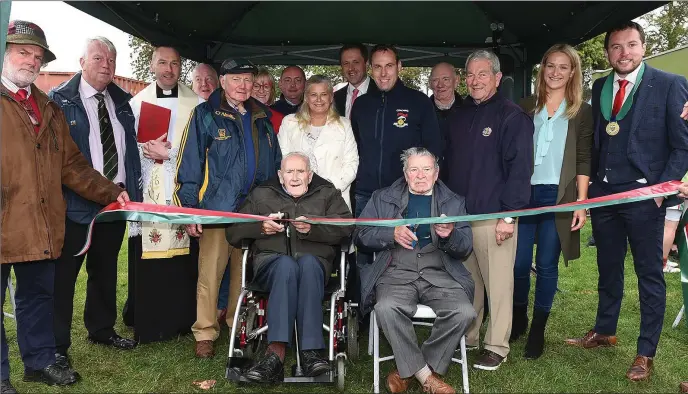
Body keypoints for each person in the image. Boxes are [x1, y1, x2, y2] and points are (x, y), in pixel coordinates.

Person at [1, 20, 129, 393]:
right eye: (23, 52)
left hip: (40, 222)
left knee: (38, 296)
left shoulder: (49, 108)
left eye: (38, 56)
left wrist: (109, 191)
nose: (32, 61)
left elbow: (71, 165)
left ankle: (40, 362)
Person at [565, 21, 688, 382]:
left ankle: (645, 352)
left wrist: (660, 192)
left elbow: (683, 144)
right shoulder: (600, 86)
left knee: (649, 274)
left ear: (643, 47)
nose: (624, 53)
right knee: (608, 266)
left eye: (631, 45)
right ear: (607, 53)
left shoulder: (670, 85)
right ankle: (605, 330)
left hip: (645, 198)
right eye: (616, 47)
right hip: (606, 195)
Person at [175, 58, 282, 359]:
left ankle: (237, 326)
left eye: (248, 79)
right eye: (236, 79)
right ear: (222, 81)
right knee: (210, 271)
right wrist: (190, 209)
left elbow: (275, 165)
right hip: (216, 209)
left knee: (242, 272)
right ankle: (205, 332)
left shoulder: (263, 117)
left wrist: (273, 204)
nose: (243, 85)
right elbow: (189, 164)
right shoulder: (205, 114)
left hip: (252, 210)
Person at [48, 36, 142, 371]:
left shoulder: (122, 101)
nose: (106, 65)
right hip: (75, 204)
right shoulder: (59, 100)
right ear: (82, 61)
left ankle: (101, 329)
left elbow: (130, 150)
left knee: (104, 270)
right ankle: (56, 345)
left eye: (112, 61)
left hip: (115, 203)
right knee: (64, 276)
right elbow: (60, 161)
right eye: (99, 58)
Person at [356, 147, 475, 394]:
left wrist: (450, 235)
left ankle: (409, 370)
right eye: (414, 169)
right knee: (386, 308)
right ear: (405, 173)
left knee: (464, 312)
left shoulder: (454, 201)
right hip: (396, 269)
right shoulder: (382, 197)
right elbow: (362, 234)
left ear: (436, 173)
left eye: (426, 169)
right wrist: (391, 234)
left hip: (440, 271)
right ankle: (427, 378)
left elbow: (465, 247)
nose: (420, 175)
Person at [227, 152, 353, 383]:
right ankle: (275, 353)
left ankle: (311, 353)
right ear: (280, 175)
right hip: (271, 264)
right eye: (289, 172)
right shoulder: (261, 194)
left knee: (306, 264)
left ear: (310, 175)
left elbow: (346, 229)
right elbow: (233, 232)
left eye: (300, 171)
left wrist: (313, 229)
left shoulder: (327, 194)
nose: (294, 177)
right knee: (286, 266)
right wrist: (261, 228)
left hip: (313, 265)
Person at [445, 49, 534, 371]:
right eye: (470, 74)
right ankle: (468, 337)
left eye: (483, 74)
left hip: (496, 218)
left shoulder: (512, 117)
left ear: (497, 78)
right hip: (460, 218)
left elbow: (520, 171)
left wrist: (509, 216)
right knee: (468, 286)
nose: (475, 80)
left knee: (498, 285)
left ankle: (497, 345)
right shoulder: (458, 114)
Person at [511, 44, 593, 359]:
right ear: (542, 69)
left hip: (559, 196)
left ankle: (538, 331)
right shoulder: (524, 105)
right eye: (550, 65)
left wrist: (581, 202)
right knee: (518, 264)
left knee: (546, 265)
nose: (556, 72)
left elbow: (584, 158)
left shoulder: (581, 110)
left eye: (563, 67)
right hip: (524, 195)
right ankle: (520, 317)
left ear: (572, 72)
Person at [124, 46, 204, 344]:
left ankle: (180, 320)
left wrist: (168, 153)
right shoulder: (136, 103)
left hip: (182, 187)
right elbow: (127, 147)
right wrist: (144, 149)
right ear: (152, 65)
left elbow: (199, 151)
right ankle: (149, 322)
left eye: (174, 63)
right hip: (150, 189)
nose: (169, 69)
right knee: (150, 257)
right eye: (162, 63)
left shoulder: (195, 104)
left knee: (183, 258)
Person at [278, 74, 359, 210]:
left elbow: (352, 163)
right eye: (313, 94)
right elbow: (283, 158)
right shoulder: (289, 122)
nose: (319, 100)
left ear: (331, 97)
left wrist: (327, 189)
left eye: (324, 94)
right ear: (306, 97)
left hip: (334, 197)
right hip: (296, 198)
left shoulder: (344, 125)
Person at [428, 62, 462, 181]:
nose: (440, 85)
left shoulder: (470, 112)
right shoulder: (421, 112)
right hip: (429, 182)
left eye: (446, 79)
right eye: (435, 80)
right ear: (430, 84)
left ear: (456, 81)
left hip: (461, 182)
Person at [334, 43, 378, 119]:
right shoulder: (335, 98)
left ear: (366, 63)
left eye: (356, 62)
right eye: (346, 63)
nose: (351, 68)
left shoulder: (381, 94)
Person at [252, 68, 284, 132]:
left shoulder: (280, 119)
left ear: (271, 91)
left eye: (266, 87)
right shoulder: (240, 115)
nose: (261, 91)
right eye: (256, 86)